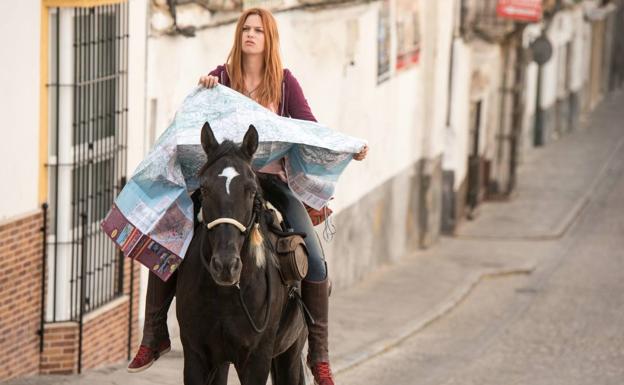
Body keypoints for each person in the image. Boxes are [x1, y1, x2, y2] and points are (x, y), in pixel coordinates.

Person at [127, 8, 368, 385]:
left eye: (258, 30)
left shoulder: (285, 84)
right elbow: (193, 121)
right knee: (168, 239)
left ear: (269, 39)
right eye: (246, 29)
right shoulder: (219, 78)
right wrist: (203, 90)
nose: (250, 35)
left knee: (316, 260)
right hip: (222, 184)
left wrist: (347, 148)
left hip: (269, 185)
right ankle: (154, 334)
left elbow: (310, 130)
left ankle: (318, 355)